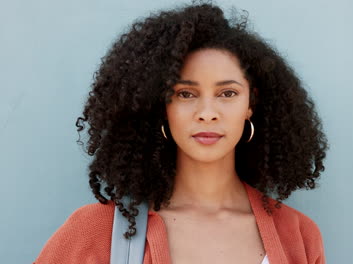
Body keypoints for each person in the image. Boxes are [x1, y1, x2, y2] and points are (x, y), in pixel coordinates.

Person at [34, 1, 329, 263]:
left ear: (250, 104)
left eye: (227, 93)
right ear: (163, 106)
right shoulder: (95, 231)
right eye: (186, 94)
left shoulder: (299, 236)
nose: (207, 113)